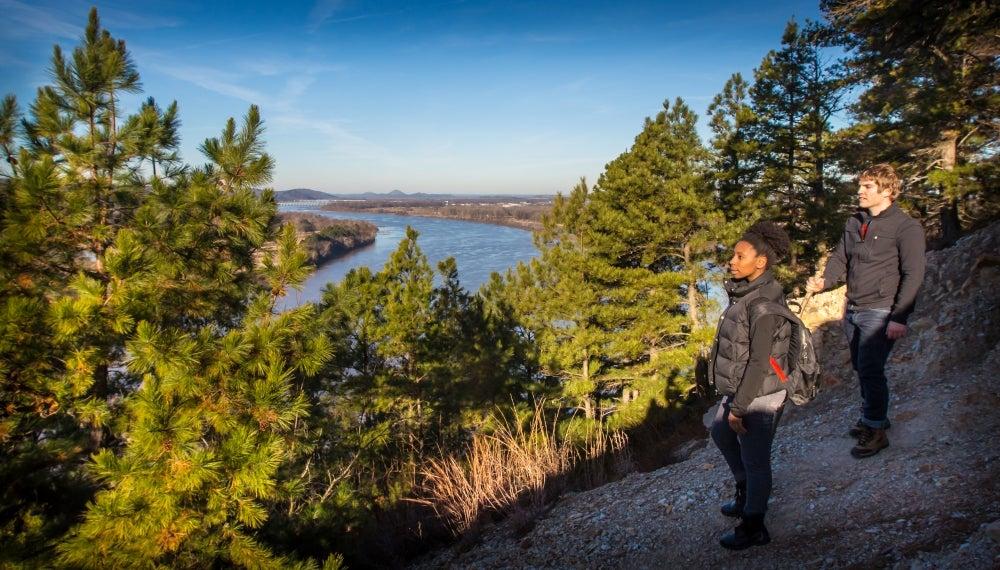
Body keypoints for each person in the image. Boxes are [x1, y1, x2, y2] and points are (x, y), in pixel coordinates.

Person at [806, 163, 925, 458]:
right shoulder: (855, 222)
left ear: (887, 191)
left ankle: (875, 430)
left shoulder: (905, 227)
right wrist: (825, 281)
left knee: (871, 369)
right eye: (860, 185)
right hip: (854, 309)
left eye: (867, 186)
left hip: (881, 311)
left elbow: (914, 274)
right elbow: (840, 258)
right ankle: (875, 417)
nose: (859, 191)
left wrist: (899, 317)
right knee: (861, 367)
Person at [709, 221, 792, 551]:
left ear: (761, 263)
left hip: (761, 394)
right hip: (744, 385)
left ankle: (754, 525)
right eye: (732, 254)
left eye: (739, 256)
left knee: (756, 459)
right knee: (720, 433)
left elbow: (760, 362)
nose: (731, 260)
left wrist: (740, 408)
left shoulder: (762, 304)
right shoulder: (749, 291)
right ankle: (746, 493)